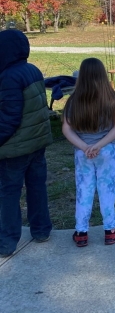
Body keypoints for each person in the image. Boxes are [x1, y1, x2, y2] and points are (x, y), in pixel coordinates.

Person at [62, 58, 115, 247]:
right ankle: (110, 230)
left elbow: (66, 129)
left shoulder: (73, 101)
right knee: (107, 189)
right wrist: (100, 145)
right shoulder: (112, 98)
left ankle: (81, 232)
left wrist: (84, 147)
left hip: (83, 153)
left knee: (84, 191)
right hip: (106, 151)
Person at [0, 30, 53, 258]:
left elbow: (9, 118)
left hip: (15, 149)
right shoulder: (33, 70)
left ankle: (6, 242)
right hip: (37, 144)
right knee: (36, 187)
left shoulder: (9, 77)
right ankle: (41, 230)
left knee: (8, 194)